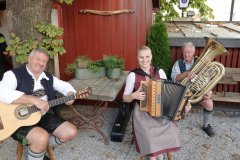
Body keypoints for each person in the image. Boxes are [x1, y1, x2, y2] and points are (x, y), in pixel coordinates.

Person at [0, 48, 78, 160]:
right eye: (38, 59)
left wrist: (71, 93)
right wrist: (35, 100)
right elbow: (1, 92)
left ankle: (39, 149)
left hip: (42, 115)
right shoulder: (13, 75)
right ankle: (38, 149)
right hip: (16, 122)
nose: (41, 63)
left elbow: (64, 86)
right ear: (29, 58)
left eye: (44, 61)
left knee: (70, 132)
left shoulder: (47, 77)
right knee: (41, 137)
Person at [123, 46, 191, 160]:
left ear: (151, 57)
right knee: (151, 141)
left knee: (171, 130)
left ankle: (159, 153)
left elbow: (169, 95)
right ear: (137, 58)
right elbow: (125, 98)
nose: (144, 60)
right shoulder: (133, 75)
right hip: (142, 114)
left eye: (147, 56)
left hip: (161, 112)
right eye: (141, 57)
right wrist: (133, 96)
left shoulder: (159, 72)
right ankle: (155, 154)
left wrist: (184, 107)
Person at [171, 42, 215, 137]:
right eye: (185, 52)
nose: (186, 54)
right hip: (182, 94)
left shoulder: (201, 63)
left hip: (197, 94)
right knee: (178, 108)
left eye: (189, 52)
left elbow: (209, 80)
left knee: (209, 103)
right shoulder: (178, 64)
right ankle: (172, 129)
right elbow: (174, 78)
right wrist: (187, 73)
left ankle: (206, 126)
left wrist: (209, 91)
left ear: (194, 52)